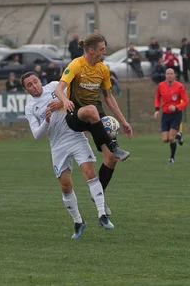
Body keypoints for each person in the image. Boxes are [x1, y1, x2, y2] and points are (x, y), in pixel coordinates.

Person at [22, 72, 114, 237]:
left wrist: (62, 102)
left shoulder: (54, 87)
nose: (34, 86)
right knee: (65, 186)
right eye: (30, 85)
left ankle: (102, 214)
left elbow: (73, 98)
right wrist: (46, 121)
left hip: (75, 136)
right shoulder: (30, 107)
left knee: (89, 172)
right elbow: (36, 134)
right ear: (25, 89)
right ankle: (78, 221)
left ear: (39, 81)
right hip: (57, 145)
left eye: (35, 81)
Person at [54, 33, 133, 210]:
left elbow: (108, 97)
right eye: (102, 49)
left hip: (96, 117)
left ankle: (99, 196)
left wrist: (124, 121)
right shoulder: (76, 64)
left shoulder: (103, 69)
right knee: (91, 110)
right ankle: (114, 146)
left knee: (111, 159)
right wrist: (65, 101)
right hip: (76, 116)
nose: (104, 52)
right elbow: (60, 88)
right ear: (91, 51)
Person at [154, 68, 189, 163]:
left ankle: (172, 158)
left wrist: (176, 107)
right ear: (165, 75)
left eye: (171, 74)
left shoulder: (180, 87)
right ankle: (179, 135)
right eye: (167, 74)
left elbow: (186, 102)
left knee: (171, 138)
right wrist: (157, 110)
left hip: (176, 114)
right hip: (165, 115)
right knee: (165, 139)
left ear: (174, 75)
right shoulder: (161, 85)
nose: (169, 75)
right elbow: (157, 98)